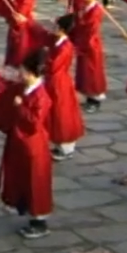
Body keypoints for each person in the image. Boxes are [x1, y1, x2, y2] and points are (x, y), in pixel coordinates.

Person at [0, 49, 54, 239]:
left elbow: (34, 123)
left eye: (22, 70)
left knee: (35, 182)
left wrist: (21, 106)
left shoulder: (41, 96)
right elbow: (7, 88)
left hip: (32, 145)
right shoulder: (24, 88)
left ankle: (39, 221)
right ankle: (25, 207)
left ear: (31, 72)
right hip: (19, 141)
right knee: (22, 179)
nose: (19, 73)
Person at [45, 15, 85, 161]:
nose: (53, 28)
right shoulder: (58, 42)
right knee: (55, 114)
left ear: (62, 29)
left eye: (55, 26)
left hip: (59, 82)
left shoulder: (65, 47)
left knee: (62, 114)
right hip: (54, 81)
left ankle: (66, 147)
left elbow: (54, 65)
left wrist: (43, 60)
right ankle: (58, 143)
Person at [71, 0, 108, 111]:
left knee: (92, 73)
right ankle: (88, 97)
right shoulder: (86, 7)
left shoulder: (96, 10)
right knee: (85, 73)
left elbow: (90, 29)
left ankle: (94, 100)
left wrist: (80, 19)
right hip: (84, 42)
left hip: (91, 44)